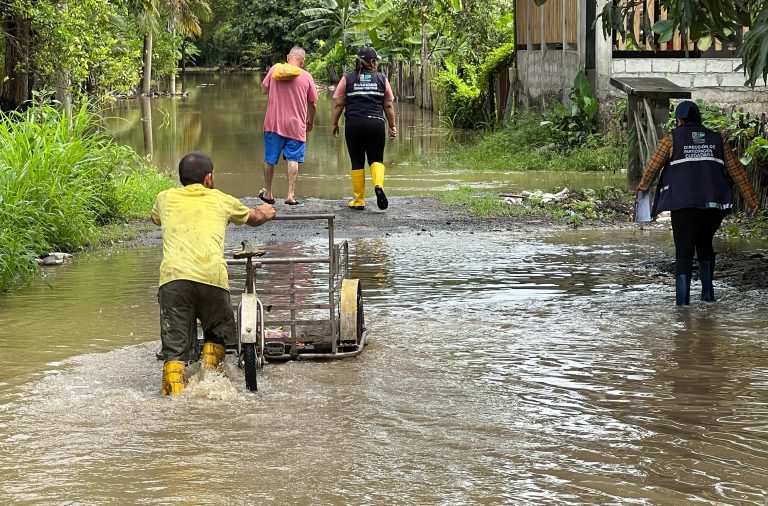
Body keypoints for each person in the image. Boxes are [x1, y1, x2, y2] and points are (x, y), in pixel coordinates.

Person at [151, 151, 276, 396]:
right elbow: (254, 218)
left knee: (174, 351)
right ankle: (210, 388)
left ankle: (174, 402)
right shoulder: (221, 199)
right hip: (212, 279)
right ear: (209, 178)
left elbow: (156, 218)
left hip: (173, 280)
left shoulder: (164, 198)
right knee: (217, 334)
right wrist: (266, 211)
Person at [637, 100, 759, 306]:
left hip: (683, 204)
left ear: (679, 120)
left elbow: (652, 167)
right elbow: (736, 171)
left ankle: (683, 306)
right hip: (713, 206)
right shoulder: (717, 139)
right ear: (698, 118)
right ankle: (708, 295)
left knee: (684, 250)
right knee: (704, 243)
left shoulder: (671, 140)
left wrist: (642, 188)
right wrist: (752, 200)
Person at [331, 45, 397, 211]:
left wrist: (334, 123)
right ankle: (378, 185)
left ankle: (359, 200)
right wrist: (392, 126)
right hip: (375, 123)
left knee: (357, 161)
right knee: (376, 159)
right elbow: (388, 105)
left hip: (353, 124)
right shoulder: (382, 78)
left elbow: (339, 104)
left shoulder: (347, 78)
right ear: (373, 62)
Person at [259, 46, 318, 206]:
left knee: (270, 159)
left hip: (273, 123)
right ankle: (290, 195)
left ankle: (268, 193)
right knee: (293, 159)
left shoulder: (275, 70)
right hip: (296, 125)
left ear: (287, 57)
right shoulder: (306, 76)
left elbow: (263, 90)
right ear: (303, 61)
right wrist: (310, 121)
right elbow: (312, 104)